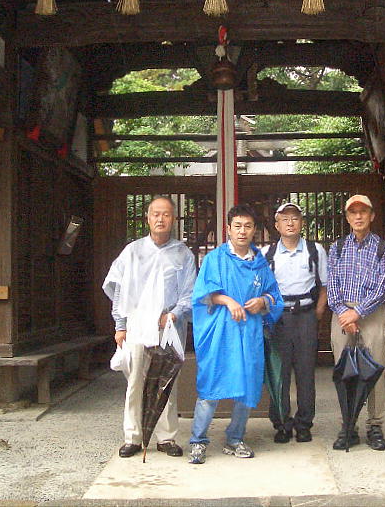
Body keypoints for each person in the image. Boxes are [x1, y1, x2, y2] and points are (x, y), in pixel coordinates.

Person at [188, 204, 284, 465]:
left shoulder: (260, 264)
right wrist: (227, 300)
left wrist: (262, 301)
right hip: (220, 332)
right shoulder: (215, 259)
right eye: (237, 226)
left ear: (254, 230)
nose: (242, 231)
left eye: (248, 226)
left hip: (249, 332)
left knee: (247, 385)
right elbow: (201, 295)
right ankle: (198, 440)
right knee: (211, 385)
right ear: (228, 229)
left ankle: (235, 437)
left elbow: (275, 296)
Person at [102, 196, 196, 459]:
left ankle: (166, 437)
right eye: (156, 214)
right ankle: (133, 437)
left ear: (173, 219)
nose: (160, 219)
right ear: (148, 217)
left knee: (166, 381)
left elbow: (189, 292)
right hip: (137, 324)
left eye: (166, 214)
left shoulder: (183, 254)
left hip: (169, 326)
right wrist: (120, 325)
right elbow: (119, 291)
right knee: (136, 381)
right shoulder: (132, 251)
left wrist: (173, 315)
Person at [327, 194, 385, 451]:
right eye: (353, 212)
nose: (358, 216)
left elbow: (383, 287)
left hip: (372, 313)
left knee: (375, 370)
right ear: (347, 217)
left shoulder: (383, 248)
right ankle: (349, 425)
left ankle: (375, 425)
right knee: (345, 372)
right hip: (342, 314)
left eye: (363, 212)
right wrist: (345, 313)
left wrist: (358, 313)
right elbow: (332, 284)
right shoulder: (337, 247)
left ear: (371, 216)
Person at [262, 202, 328, 444]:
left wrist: (317, 312)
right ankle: (281, 423)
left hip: (306, 316)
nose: (290, 223)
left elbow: (324, 286)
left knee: (305, 372)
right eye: (285, 219)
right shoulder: (266, 254)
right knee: (279, 373)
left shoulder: (315, 250)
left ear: (302, 223)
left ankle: (304, 424)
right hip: (278, 317)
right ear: (277, 224)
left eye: (295, 218)